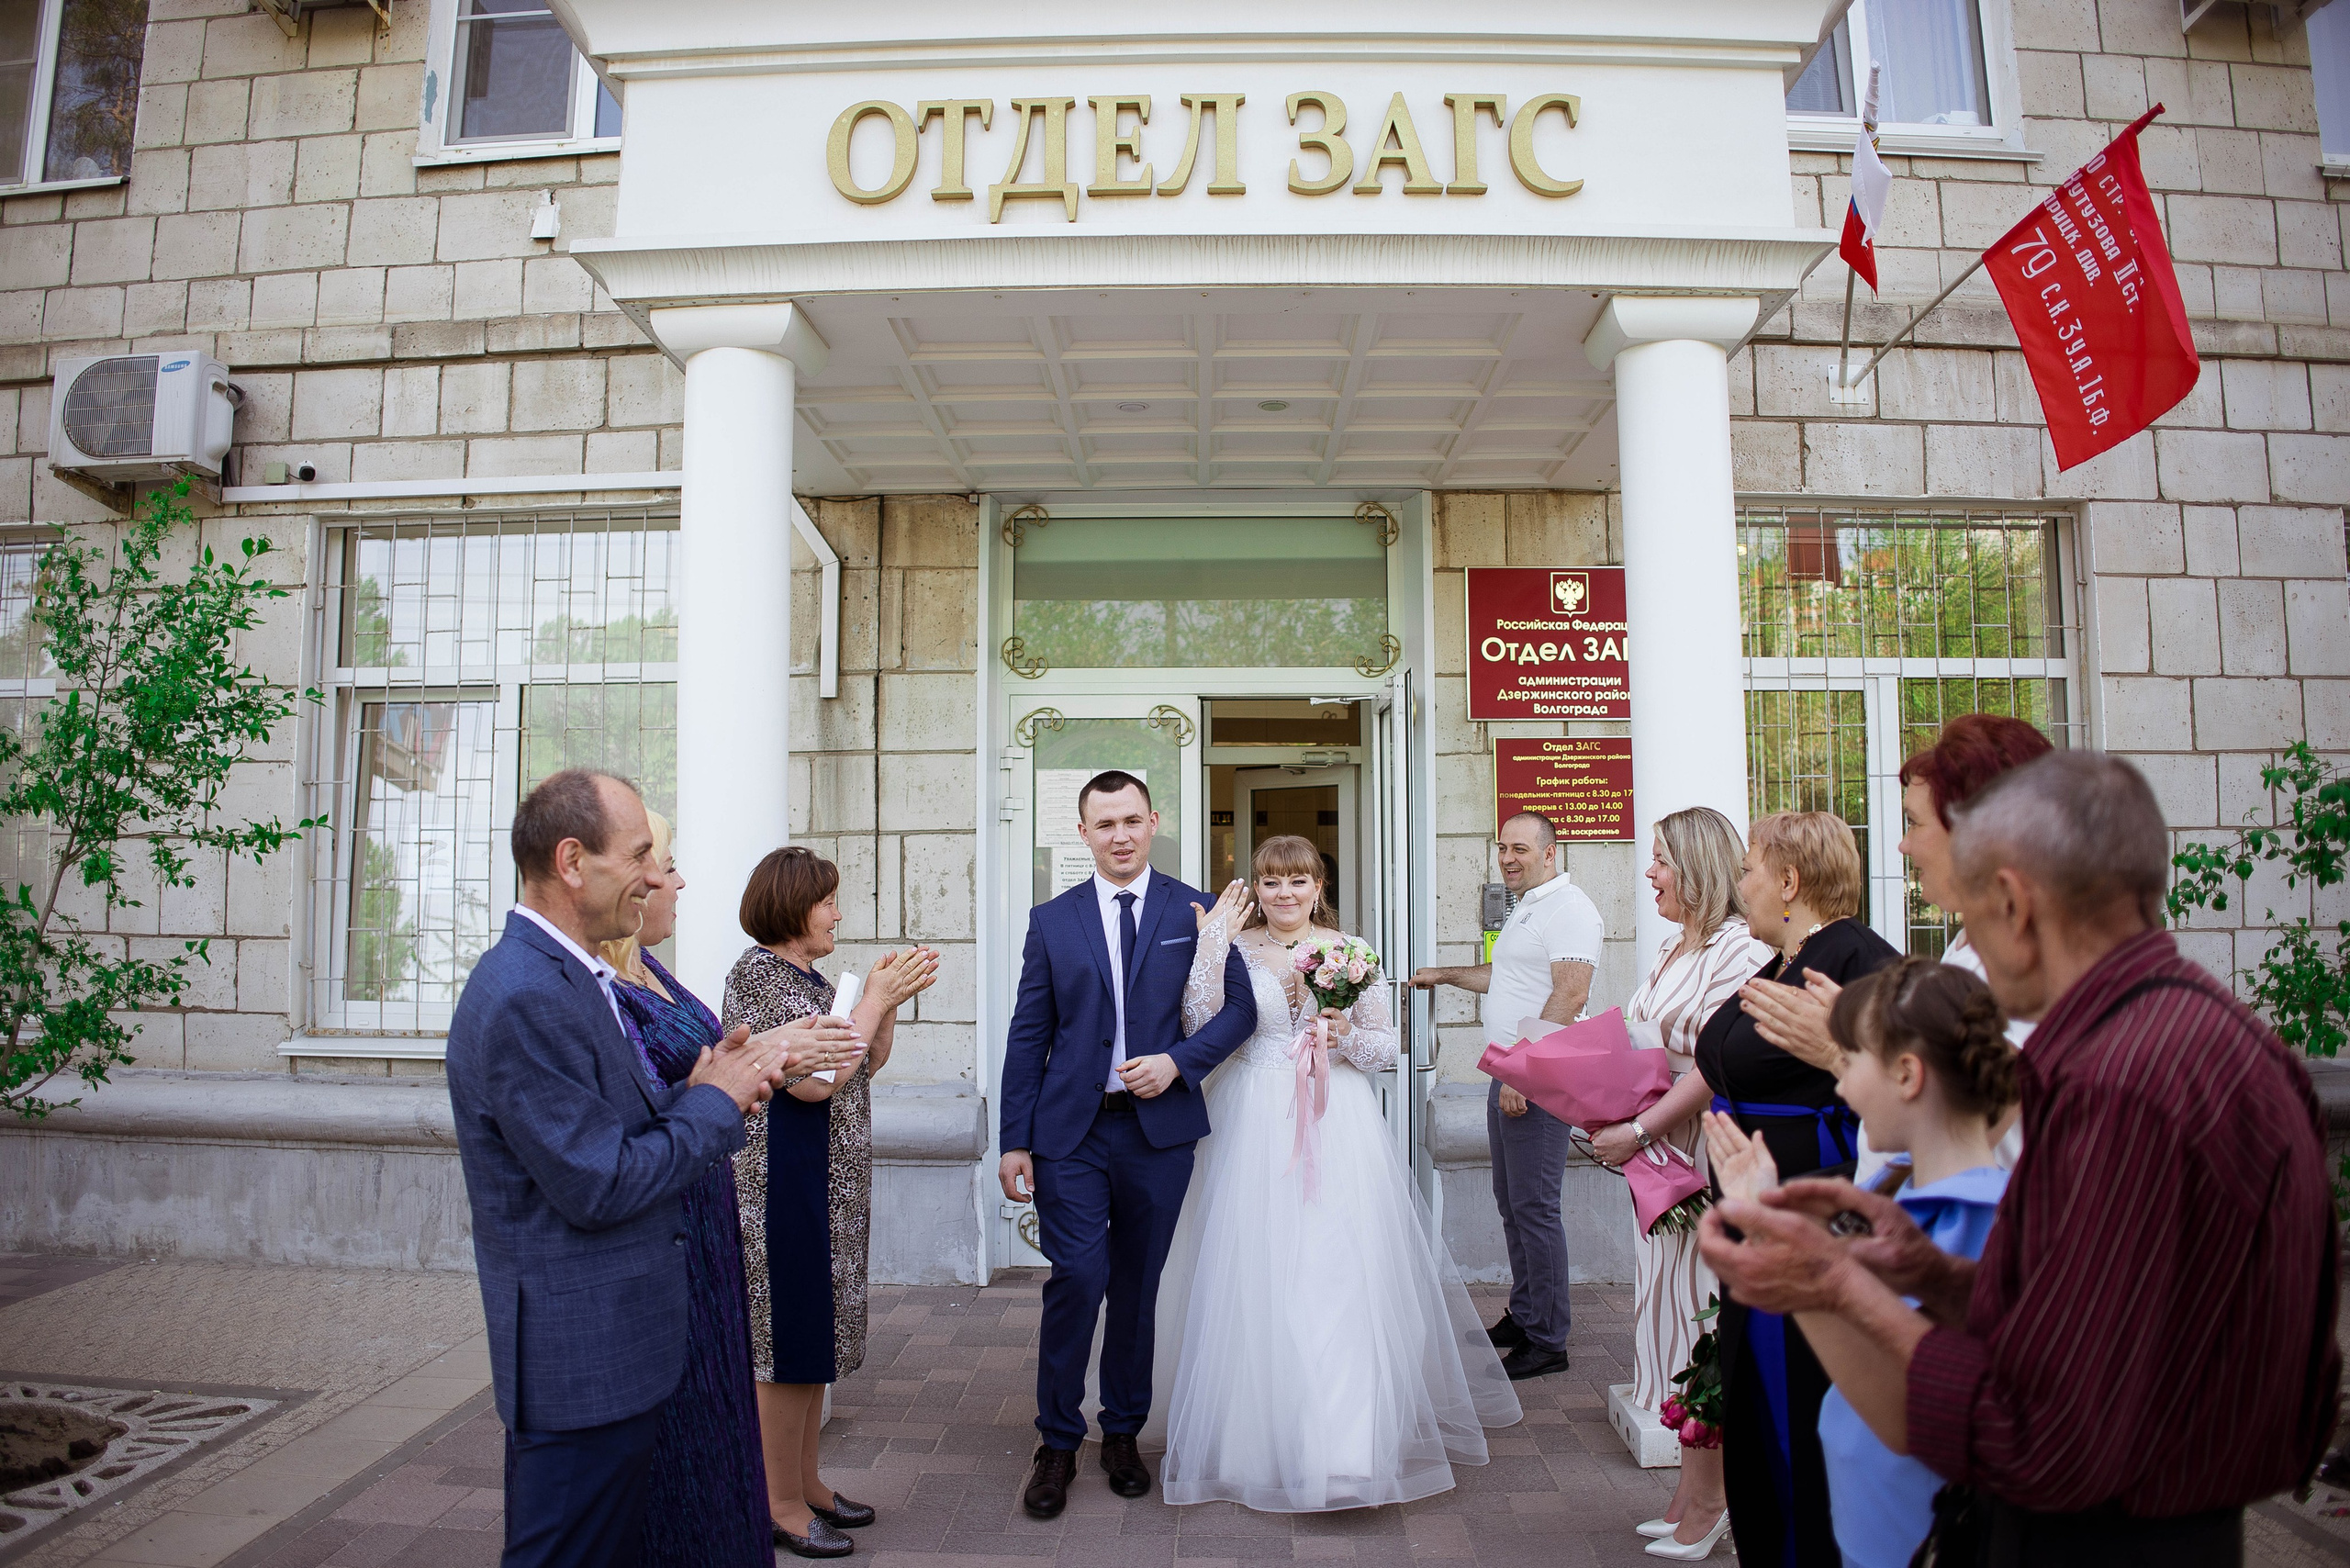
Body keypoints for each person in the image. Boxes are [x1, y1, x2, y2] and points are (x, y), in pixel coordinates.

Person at [1700, 752, 2342, 1566]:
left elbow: (2052, 1427)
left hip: (2104, 1535)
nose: (1964, 951)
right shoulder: (2221, 1035)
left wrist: (1831, 1289)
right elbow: (2103, 1310)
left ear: (2013, 902)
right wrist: (1939, 1274)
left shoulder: (2122, 1085)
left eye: (1965, 911)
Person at [444, 768, 811, 1568]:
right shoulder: (524, 994)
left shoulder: (575, 973)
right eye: (640, 855)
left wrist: (698, 1087)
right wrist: (715, 1100)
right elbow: (599, 1182)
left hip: (623, 1349)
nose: (656, 875)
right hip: (584, 1365)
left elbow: (607, 1128)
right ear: (573, 861)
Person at [1146, 836, 1522, 1511]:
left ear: (1319, 885)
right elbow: (1198, 1023)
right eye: (1270, 883)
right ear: (1255, 889)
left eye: (1297, 881)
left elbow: (1384, 1051)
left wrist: (1339, 1033)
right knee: (1255, 1274)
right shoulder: (1234, 950)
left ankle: (1342, 1448)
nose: (1283, 894)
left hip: (1334, 1121)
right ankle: (1251, 1443)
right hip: (1254, 1118)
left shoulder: (1354, 953)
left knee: (1334, 1274)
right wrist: (1210, 944)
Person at [997, 770, 1259, 1519]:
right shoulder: (1052, 920)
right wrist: (1015, 1139)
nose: (1120, 835)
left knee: (1137, 1288)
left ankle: (1121, 1433)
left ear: (1153, 824)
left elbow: (1239, 1013)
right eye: (1104, 823)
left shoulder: (1196, 910)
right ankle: (1055, 1440)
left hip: (1158, 1133)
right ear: (1082, 833)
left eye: (1132, 821)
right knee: (1077, 1277)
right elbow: (1030, 1035)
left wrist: (1180, 1062)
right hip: (1069, 1133)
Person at [1705, 957, 2015, 1568]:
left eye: (1850, 1061)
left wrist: (1771, 1239)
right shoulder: (1899, 1198)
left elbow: (1904, 1395)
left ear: (1907, 1074)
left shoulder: (1977, 1222)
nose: (1840, 1086)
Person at [1691, 810, 1898, 1568]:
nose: (1738, 884)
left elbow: (1884, 1093)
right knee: (1755, 1403)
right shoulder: (1783, 959)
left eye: (1747, 869)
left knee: (1794, 1409)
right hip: (1756, 1207)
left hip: (1808, 1211)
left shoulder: (1855, 962)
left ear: (1789, 881)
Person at [723, 845, 939, 1558]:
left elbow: (864, 1063)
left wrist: (886, 1001)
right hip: (785, 1180)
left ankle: (808, 1482)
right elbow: (812, 1083)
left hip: (828, 1182)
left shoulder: (809, 978)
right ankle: (777, 1504)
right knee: (784, 1347)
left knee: (814, 1340)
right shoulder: (757, 975)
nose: (837, 912)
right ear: (792, 904)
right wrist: (874, 997)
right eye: (827, 900)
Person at [1733, 714, 2051, 1172]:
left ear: (1980, 834)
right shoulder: (1970, 947)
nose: (1903, 846)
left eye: (1915, 824)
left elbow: (1961, 1136)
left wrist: (1841, 1049)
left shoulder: (2028, 971)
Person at [1583, 807, 1770, 1559]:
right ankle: (1693, 1494)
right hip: (1657, 1166)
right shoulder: (1670, 947)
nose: (1650, 873)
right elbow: (1641, 1046)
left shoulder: (1738, 950)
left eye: (1660, 859)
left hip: (1700, 1156)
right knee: (1670, 1320)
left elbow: (1713, 1065)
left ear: (1697, 867)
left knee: (1704, 1328)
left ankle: (1715, 1503)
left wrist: (1642, 1128)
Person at [596, 810, 773, 1568]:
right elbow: (626, 1125)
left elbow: (694, 1070)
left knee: (718, 1412)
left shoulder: (649, 967)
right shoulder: (595, 987)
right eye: (663, 865)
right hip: (666, 1217)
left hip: (703, 1211)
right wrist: (716, 1087)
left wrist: (745, 1061)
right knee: (680, 1434)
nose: (676, 881)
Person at [1410, 810, 1604, 1382]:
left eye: (1520, 849)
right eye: (1503, 848)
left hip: (1540, 1074)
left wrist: (1524, 1072)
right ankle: (1525, 1315)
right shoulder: (1532, 906)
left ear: (1551, 852)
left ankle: (1548, 1339)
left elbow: (1570, 995)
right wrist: (1445, 974)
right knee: (1513, 1200)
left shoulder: (1570, 908)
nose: (1508, 858)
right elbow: (1508, 977)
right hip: (1514, 1069)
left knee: (1536, 1207)